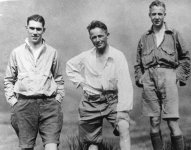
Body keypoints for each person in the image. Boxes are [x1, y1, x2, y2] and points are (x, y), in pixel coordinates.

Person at [66, 20, 133, 150]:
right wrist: (81, 83)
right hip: (91, 101)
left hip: (112, 100)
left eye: (100, 36)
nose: (97, 40)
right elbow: (70, 65)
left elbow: (125, 84)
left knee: (124, 126)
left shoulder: (117, 56)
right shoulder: (86, 56)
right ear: (90, 38)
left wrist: (122, 110)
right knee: (92, 141)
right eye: (94, 37)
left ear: (107, 34)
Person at [134, 1, 190, 150]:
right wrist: (140, 78)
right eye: (154, 14)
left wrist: (178, 76)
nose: (157, 17)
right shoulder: (144, 38)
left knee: (172, 122)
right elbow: (138, 63)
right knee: (154, 122)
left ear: (165, 14)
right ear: (149, 15)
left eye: (160, 13)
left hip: (168, 78)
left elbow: (185, 58)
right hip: (149, 81)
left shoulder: (174, 34)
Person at [4, 14, 64, 150]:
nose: (35, 32)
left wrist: (58, 99)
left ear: (44, 30)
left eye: (38, 29)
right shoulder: (17, 52)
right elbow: (8, 80)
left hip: (49, 105)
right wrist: (14, 102)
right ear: (27, 28)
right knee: (26, 147)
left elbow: (59, 79)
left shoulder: (52, 52)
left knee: (52, 147)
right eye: (32, 28)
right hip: (25, 105)